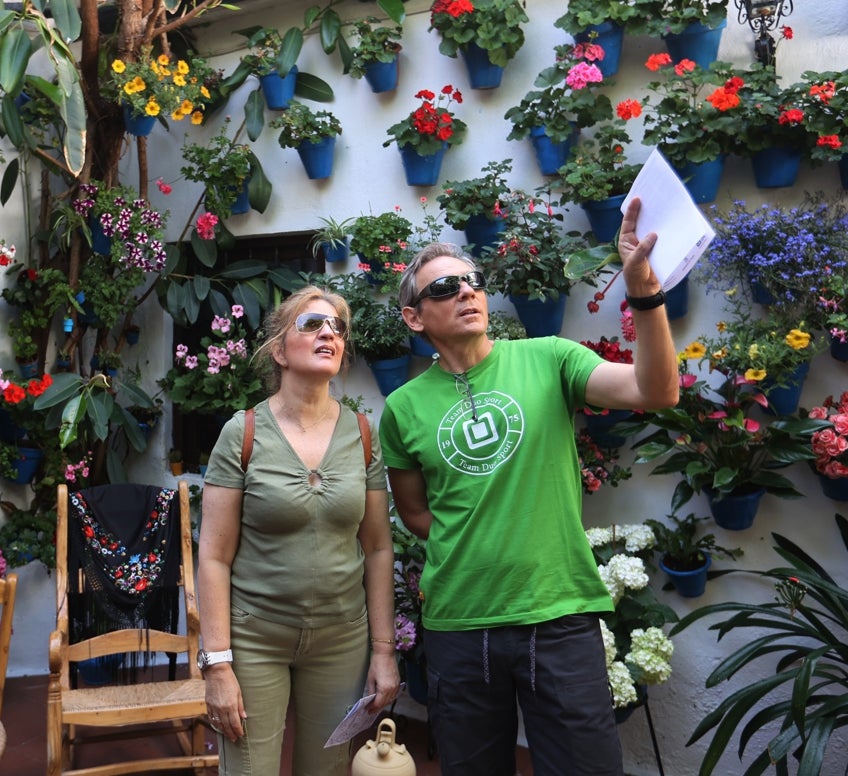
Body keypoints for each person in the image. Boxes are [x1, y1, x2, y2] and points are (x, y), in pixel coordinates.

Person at [378, 199, 679, 776]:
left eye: (473, 282)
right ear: (415, 318)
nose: (467, 292)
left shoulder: (550, 358)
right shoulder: (402, 409)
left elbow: (656, 390)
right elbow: (416, 513)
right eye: (445, 288)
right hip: (459, 627)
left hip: (559, 614)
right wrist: (481, 543)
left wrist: (642, 290)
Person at [198, 285, 401, 775]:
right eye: (312, 324)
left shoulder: (363, 433)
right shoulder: (242, 432)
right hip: (254, 639)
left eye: (337, 327)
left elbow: (377, 548)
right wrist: (218, 664)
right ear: (278, 350)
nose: (329, 332)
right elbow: (213, 556)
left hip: (342, 642)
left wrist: (383, 652)